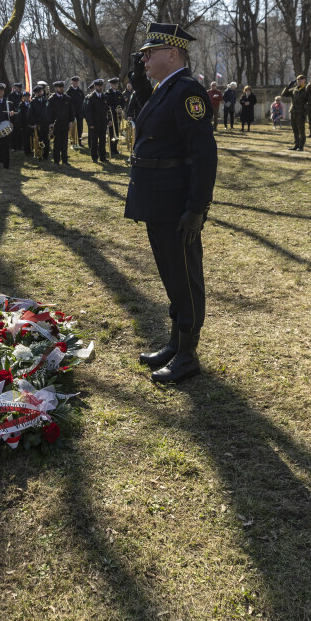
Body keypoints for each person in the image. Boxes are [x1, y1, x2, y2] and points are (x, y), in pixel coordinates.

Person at [127, 22, 217, 384]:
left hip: (176, 203)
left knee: (185, 278)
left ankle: (188, 354)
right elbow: (152, 119)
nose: (144, 58)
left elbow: (204, 155)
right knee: (170, 274)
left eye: (150, 53)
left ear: (173, 53)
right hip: (156, 199)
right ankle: (175, 342)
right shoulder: (164, 89)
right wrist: (139, 78)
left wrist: (196, 208)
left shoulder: (188, 91)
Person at [84, 78, 111, 163]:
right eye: (98, 86)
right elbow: (88, 112)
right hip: (94, 123)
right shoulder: (91, 98)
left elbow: (108, 110)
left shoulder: (104, 97)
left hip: (103, 122)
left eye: (101, 86)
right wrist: (90, 123)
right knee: (94, 141)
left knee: (103, 141)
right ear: (95, 86)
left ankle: (102, 157)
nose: (100, 87)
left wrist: (109, 120)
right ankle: (94, 157)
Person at [48, 80, 73, 165]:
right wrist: (50, 123)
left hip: (65, 123)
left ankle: (65, 160)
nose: (61, 88)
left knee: (64, 143)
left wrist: (71, 121)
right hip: (56, 124)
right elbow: (49, 112)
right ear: (55, 88)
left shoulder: (67, 98)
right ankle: (56, 160)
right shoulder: (51, 99)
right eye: (59, 87)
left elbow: (71, 111)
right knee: (57, 143)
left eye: (62, 87)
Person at [28, 82, 52, 161]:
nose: (40, 93)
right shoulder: (32, 102)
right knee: (38, 139)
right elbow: (30, 114)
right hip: (37, 124)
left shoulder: (47, 101)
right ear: (34, 93)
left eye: (41, 91)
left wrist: (50, 123)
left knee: (46, 139)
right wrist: (34, 123)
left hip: (46, 124)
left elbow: (50, 112)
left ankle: (46, 155)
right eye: (37, 92)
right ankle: (39, 155)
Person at [288, 75, 311, 150]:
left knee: (301, 130)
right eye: (298, 80)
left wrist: (306, 110)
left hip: (300, 112)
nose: (299, 81)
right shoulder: (295, 89)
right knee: (295, 130)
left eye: (301, 79)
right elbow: (284, 94)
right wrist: (289, 85)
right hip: (293, 111)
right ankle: (296, 144)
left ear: (304, 80)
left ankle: (301, 146)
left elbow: (309, 101)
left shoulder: (306, 89)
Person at [106, 77, 126, 155]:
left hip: (118, 116)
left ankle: (115, 149)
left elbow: (123, 102)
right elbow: (107, 105)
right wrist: (115, 109)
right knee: (112, 133)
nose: (115, 85)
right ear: (110, 85)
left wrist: (121, 109)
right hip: (111, 116)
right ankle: (112, 149)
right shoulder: (107, 94)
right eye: (114, 84)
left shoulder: (119, 93)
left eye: (116, 84)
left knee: (117, 132)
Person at [66, 76, 85, 147]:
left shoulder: (80, 91)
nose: (76, 83)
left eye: (77, 81)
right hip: (72, 113)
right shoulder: (69, 91)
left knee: (80, 128)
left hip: (80, 113)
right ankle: (73, 142)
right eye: (75, 81)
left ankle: (79, 141)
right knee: (73, 128)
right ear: (72, 82)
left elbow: (83, 102)